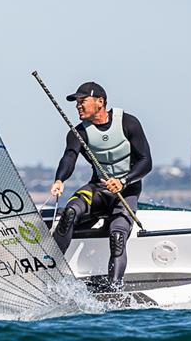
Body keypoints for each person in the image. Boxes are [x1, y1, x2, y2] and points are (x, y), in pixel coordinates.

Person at [50, 81, 152, 289]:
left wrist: (123, 181)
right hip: (98, 189)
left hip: (127, 190)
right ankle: (49, 273)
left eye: (82, 101)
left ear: (100, 102)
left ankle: (114, 288)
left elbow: (146, 161)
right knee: (69, 212)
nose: (78, 106)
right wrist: (60, 179)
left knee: (117, 236)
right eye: (76, 102)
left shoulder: (128, 123)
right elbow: (69, 157)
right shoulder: (79, 133)